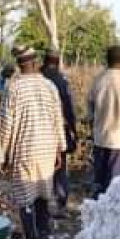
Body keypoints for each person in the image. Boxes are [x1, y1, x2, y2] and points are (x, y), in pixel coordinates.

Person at [0, 46, 66, 239]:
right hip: (47, 148)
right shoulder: (50, 86)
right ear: (35, 63)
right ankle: (44, 236)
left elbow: (5, 124)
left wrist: (2, 155)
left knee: (25, 194)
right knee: (43, 192)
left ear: (19, 65)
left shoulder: (13, 88)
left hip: (25, 149)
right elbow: (57, 119)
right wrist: (59, 150)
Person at [88, 44, 120, 194]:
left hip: (100, 137)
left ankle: (97, 210)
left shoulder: (98, 80)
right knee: (116, 183)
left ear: (107, 60)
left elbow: (91, 108)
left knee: (100, 180)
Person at [41, 48, 78, 215]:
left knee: (42, 168)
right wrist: (73, 128)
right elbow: (68, 107)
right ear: (56, 61)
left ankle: (43, 206)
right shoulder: (61, 80)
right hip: (57, 130)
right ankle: (60, 203)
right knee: (60, 166)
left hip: (38, 131)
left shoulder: (36, 77)